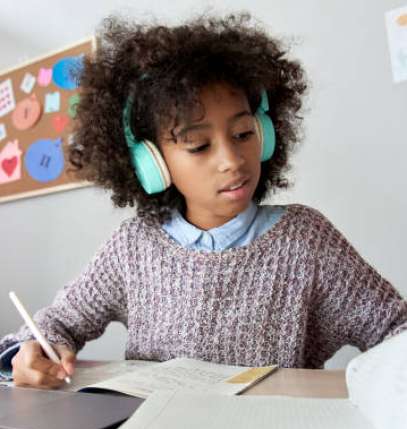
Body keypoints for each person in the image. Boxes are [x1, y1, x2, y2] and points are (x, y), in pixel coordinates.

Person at [0, 13, 406, 389]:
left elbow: (395, 328)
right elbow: (55, 324)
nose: (232, 161)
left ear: (265, 132)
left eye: (244, 134)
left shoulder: (306, 241)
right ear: (151, 163)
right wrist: (31, 353)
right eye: (197, 145)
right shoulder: (132, 248)